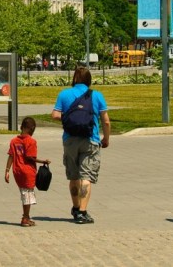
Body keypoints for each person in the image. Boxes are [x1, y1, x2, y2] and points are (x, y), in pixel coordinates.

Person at [52, 66, 110, 225]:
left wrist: (70, 117)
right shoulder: (97, 95)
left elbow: (55, 115)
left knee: (73, 177)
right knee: (86, 177)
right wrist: (106, 139)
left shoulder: (64, 94)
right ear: (89, 79)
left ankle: (76, 208)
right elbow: (106, 121)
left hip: (70, 140)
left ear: (75, 78)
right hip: (90, 140)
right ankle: (83, 213)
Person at [5, 116, 49, 227]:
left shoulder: (14, 141)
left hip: (17, 171)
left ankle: (26, 217)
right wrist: (43, 161)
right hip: (28, 171)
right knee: (27, 195)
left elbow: (11, 156)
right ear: (32, 129)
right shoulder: (31, 141)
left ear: (21, 127)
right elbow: (30, 157)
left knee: (24, 193)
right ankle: (25, 218)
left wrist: (7, 170)